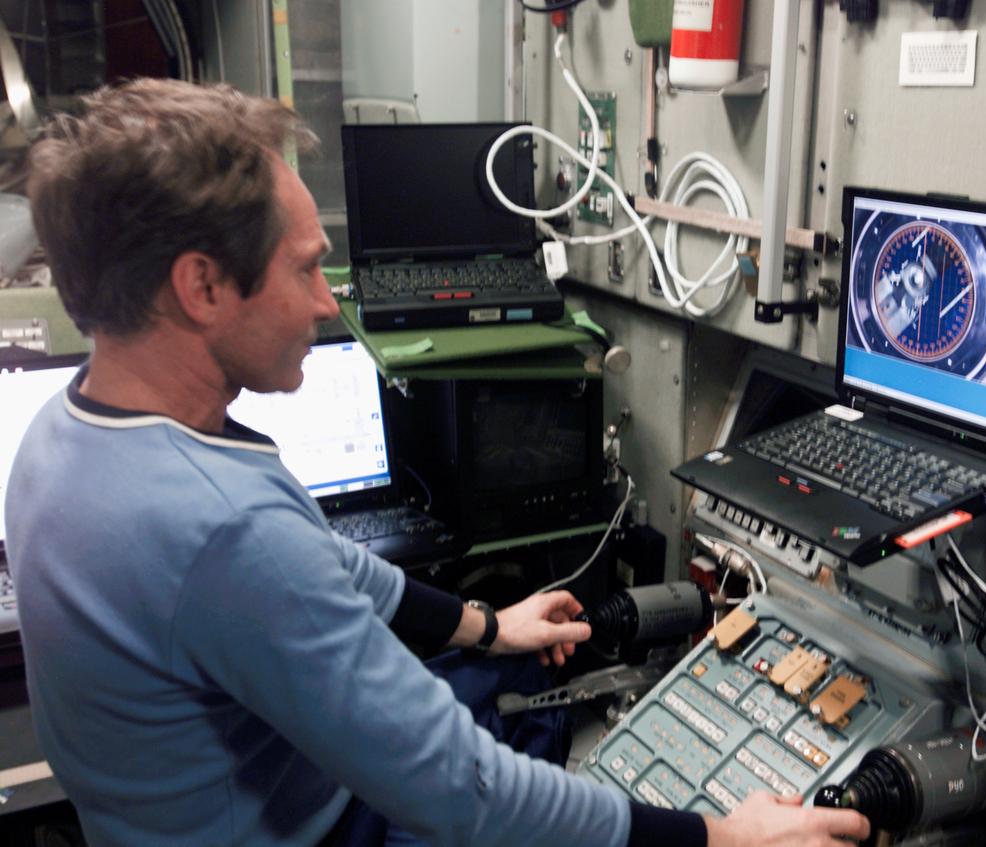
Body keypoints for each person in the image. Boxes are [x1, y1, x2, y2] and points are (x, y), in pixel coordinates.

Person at [6, 78, 871, 847]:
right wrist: (720, 835)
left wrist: (490, 625)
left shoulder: (61, 437)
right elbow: (462, 793)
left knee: (505, 672)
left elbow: (325, 563)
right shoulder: (221, 526)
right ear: (200, 287)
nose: (325, 301)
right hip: (327, 826)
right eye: (306, 269)